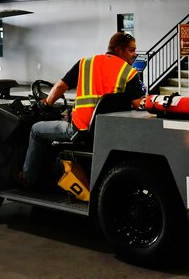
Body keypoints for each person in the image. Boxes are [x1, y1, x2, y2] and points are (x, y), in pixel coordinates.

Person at [19, 31, 144, 188]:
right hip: (109, 131)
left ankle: (28, 178)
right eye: (131, 50)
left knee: (36, 130)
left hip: (80, 130)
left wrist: (47, 103)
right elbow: (138, 104)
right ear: (119, 50)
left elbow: (60, 87)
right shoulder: (129, 73)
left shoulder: (86, 63)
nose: (135, 54)